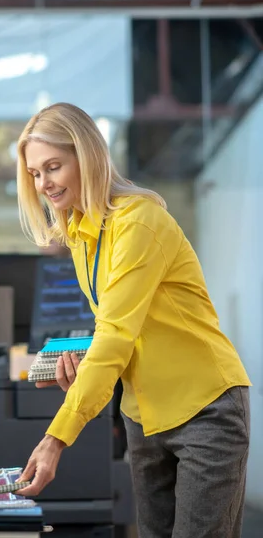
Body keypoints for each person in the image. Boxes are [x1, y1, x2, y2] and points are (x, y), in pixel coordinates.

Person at [15, 102, 251, 538]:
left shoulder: (139, 223)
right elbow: (126, 328)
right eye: (34, 173)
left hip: (204, 407)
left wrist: (56, 438)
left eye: (52, 167)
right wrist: (84, 358)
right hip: (143, 417)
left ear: (86, 157)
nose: (43, 183)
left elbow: (117, 334)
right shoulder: (83, 234)